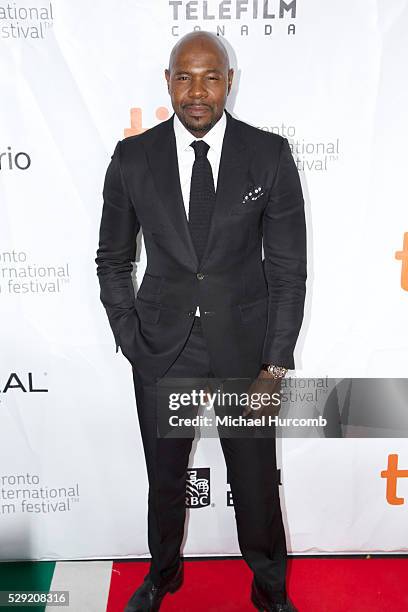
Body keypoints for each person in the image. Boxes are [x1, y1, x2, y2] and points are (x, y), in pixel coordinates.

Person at [95, 30, 306, 612]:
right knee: (164, 482)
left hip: (244, 354)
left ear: (228, 82)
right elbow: (112, 258)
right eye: (184, 77)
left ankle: (269, 586)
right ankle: (162, 575)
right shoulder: (133, 158)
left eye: (210, 77)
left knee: (256, 484)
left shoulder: (268, 154)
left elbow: (288, 271)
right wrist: (129, 338)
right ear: (167, 82)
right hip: (163, 350)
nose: (196, 91)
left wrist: (274, 363)